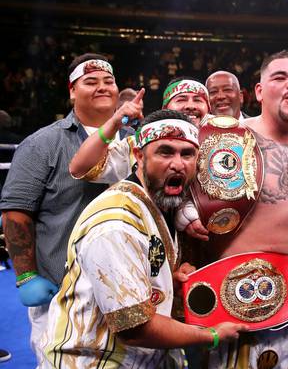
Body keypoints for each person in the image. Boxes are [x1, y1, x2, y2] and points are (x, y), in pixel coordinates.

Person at [42, 110, 247, 368]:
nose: (178, 164)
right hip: (93, 361)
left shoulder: (154, 204)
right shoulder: (115, 224)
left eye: (187, 154)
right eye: (165, 152)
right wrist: (212, 335)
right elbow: (134, 328)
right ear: (139, 156)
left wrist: (166, 280)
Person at [182, 50, 288, 368]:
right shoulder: (224, 141)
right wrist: (185, 212)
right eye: (280, 77)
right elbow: (167, 181)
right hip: (234, 309)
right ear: (259, 91)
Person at [0, 54, 123, 365]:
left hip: (125, 287)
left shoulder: (137, 143)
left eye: (108, 81)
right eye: (91, 81)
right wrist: (27, 274)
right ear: (71, 91)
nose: (102, 87)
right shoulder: (42, 143)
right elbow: (16, 212)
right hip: (62, 290)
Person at [68, 76, 210, 182]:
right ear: (165, 110)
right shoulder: (139, 145)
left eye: (198, 100)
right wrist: (114, 123)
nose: (191, 105)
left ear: (209, 110)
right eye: (181, 99)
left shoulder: (225, 145)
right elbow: (79, 169)